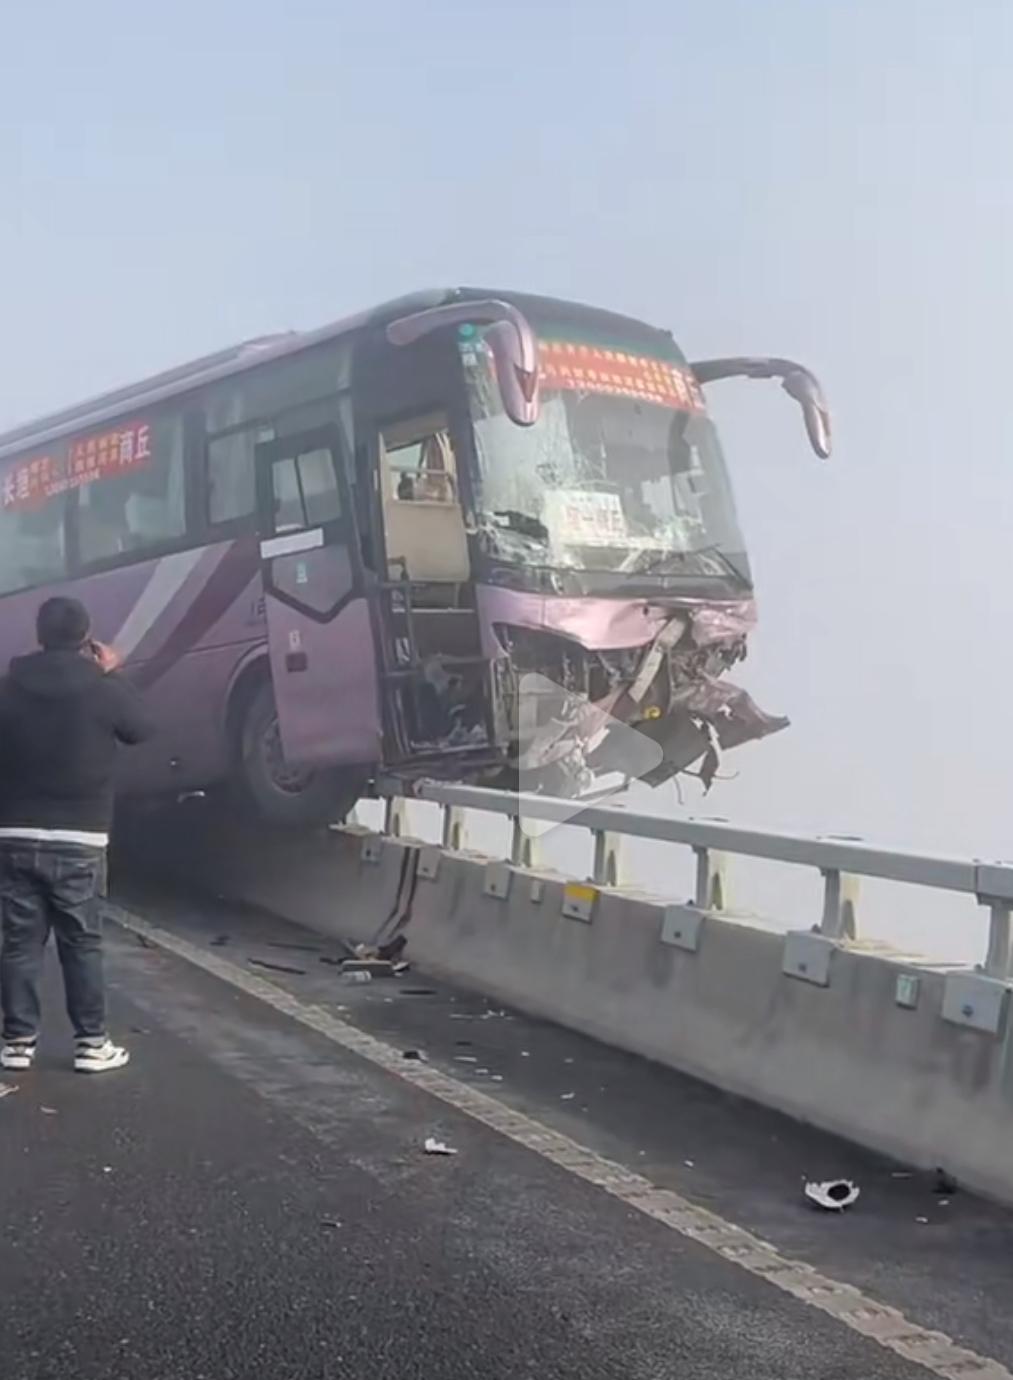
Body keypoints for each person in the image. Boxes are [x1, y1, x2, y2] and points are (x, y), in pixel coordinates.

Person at [0, 596, 153, 1073]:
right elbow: (142, 729)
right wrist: (110, 674)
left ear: (40, 635)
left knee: (19, 943)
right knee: (81, 942)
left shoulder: (8, 689)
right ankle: (91, 1044)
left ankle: (16, 1043)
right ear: (87, 639)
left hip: (14, 831)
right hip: (81, 836)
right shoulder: (103, 689)